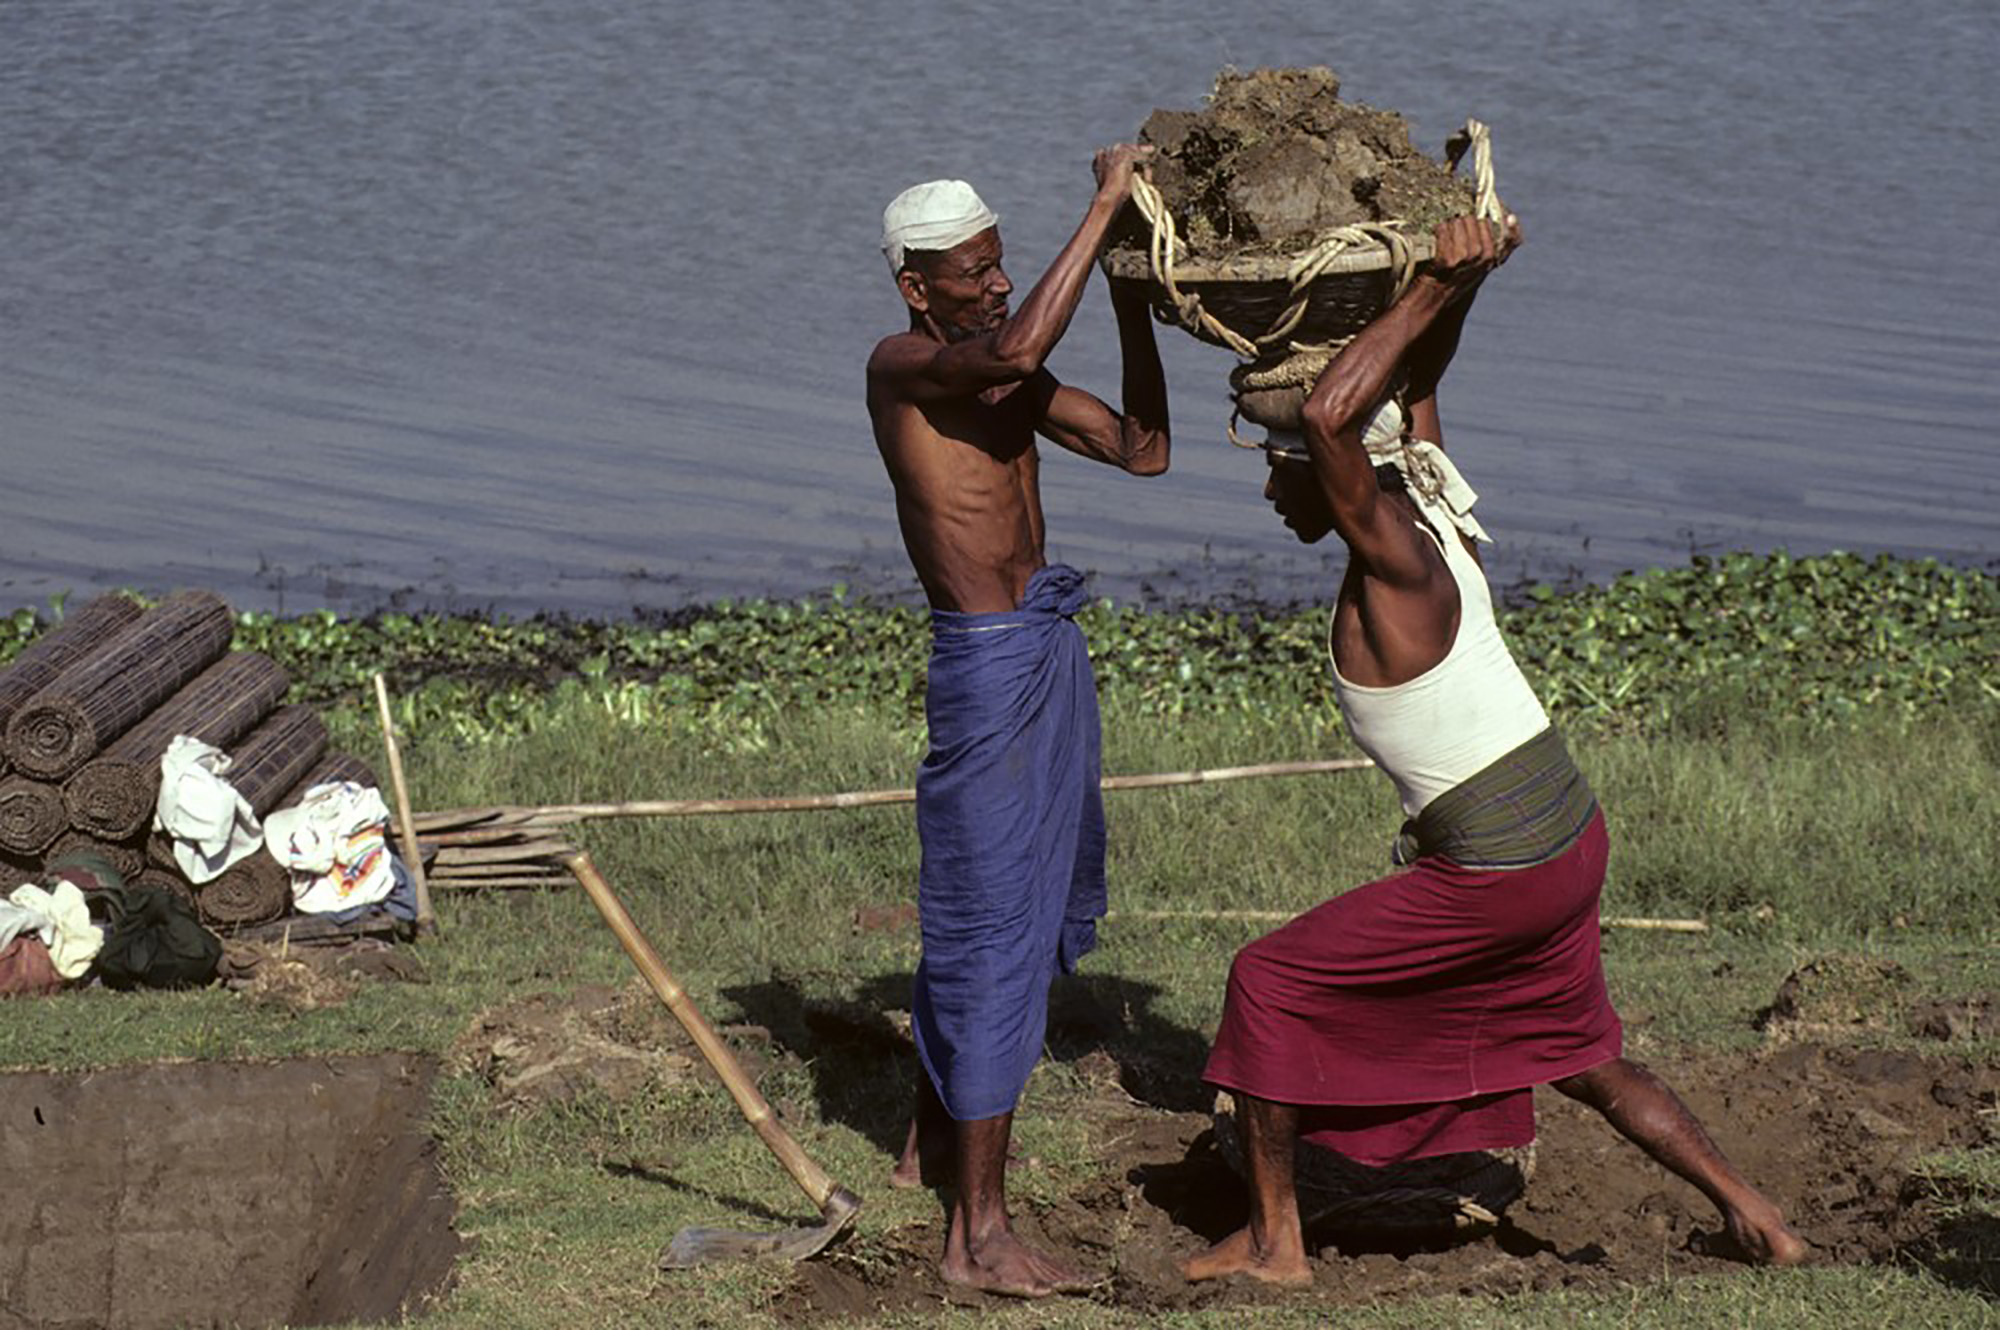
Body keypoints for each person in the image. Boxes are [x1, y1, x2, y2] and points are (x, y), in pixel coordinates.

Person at [1182, 214, 1807, 1285]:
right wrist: (1467, 285)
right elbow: (1409, 399)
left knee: (1268, 980)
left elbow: (1334, 419)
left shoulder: (1393, 564)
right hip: (1567, 836)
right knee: (1586, 1058)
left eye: (1282, 471)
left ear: (1334, 479)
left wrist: (1425, 281)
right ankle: (1756, 1215)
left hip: (1501, 867)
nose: (1272, 489)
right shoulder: (1436, 510)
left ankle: (1278, 1241)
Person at [866, 145, 1171, 1298]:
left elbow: (1143, 452)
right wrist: (1104, 206)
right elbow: (1019, 345)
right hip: (987, 666)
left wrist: (1137, 311)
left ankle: (928, 1143)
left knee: (1029, 902)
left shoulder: (1006, 384)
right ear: (916, 286)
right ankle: (976, 1238)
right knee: (988, 916)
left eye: (999, 267)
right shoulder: (901, 367)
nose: (992, 285)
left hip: (1046, 647)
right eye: (972, 272)